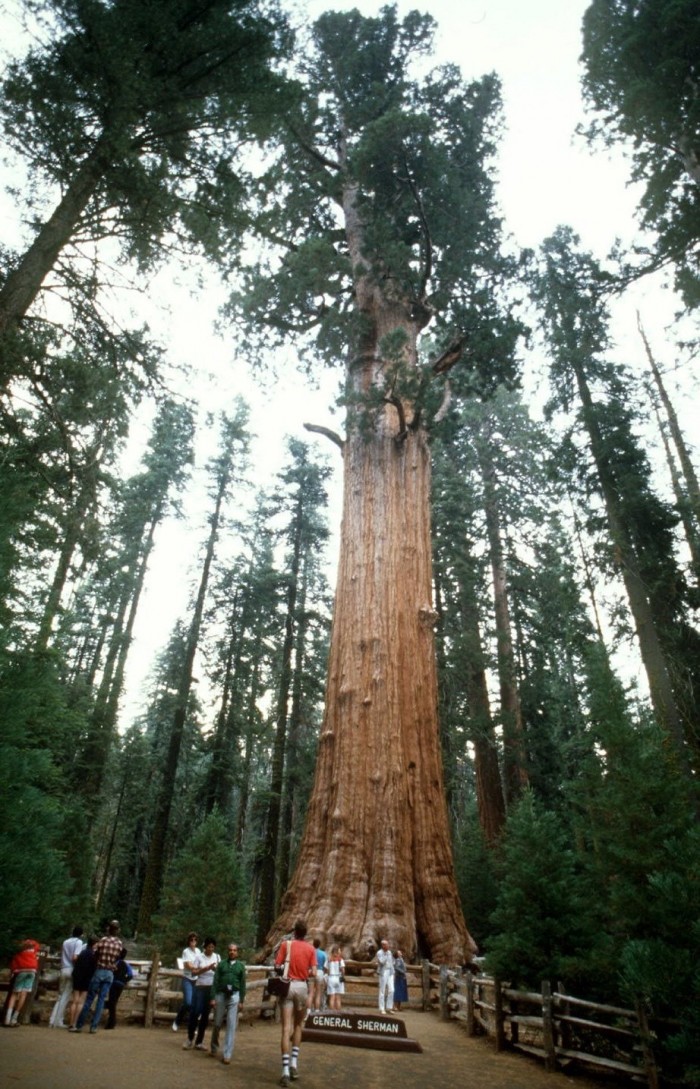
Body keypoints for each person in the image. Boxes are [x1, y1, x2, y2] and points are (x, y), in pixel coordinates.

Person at [274, 919, 316, 1086]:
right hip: (301, 987)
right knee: (298, 1026)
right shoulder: (311, 949)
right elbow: (313, 972)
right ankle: (294, 1064)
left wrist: (286, 967)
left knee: (286, 1029)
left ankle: (284, 1071)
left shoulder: (286, 945)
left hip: (288, 986)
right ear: (305, 933)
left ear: (294, 931)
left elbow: (277, 965)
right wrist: (304, 970)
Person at [71, 919, 123, 1033]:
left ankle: (79, 1024)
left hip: (99, 970)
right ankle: (94, 1027)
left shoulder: (103, 940)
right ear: (118, 930)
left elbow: (96, 953)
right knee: (101, 1000)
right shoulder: (119, 943)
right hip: (110, 973)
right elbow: (118, 957)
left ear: (109, 929)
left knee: (90, 998)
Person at [209, 942, 246, 1064]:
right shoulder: (221, 965)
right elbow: (215, 981)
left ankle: (227, 1054)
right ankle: (214, 1046)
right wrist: (212, 997)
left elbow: (242, 984)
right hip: (221, 995)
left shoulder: (240, 966)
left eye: (234, 950)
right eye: (230, 950)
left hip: (234, 996)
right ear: (227, 951)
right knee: (217, 1023)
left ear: (237, 952)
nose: (232, 952)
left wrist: (241, 1000)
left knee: (231, 1025)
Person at [182, 937, 219, 1051]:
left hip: (211, 988)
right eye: (209, 947)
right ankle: (190, 1038)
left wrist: (215, 970)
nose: (211, 949)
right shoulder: (199, 957)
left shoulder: (217, 957)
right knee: (195, 1012)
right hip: (200, 988)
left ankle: (199, 1041)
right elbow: (194, 973)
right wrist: (207, 968)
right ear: (205, 947)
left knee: (205, 1015)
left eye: (213, 947)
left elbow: (219, 972)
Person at [49, 926, 85, 1028]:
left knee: (60, 996)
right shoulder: (78, 942)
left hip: (63, 968)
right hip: (71, 969)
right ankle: (58, 1021)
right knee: (65, 997)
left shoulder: (65, 941)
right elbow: (75, 957)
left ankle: (52, 1020)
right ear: (81, 934)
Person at [4, 939, 42, 1026]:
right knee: (23, 994)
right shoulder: (33, 951)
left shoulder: (18, 954)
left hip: (21, 971)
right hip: (32, 971)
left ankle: (7, 1018)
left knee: (14, 994)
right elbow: (37, 944)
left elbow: (13, 966)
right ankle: (14, 1018)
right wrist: (29, 941)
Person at [172, 931, 200, 1031]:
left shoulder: (198, 951)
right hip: (188, 979)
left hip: (196, 980)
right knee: (188, 1002)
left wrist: (199, 968)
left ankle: (193, 1025)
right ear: (188, 941)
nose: (193, 941)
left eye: (195, 939)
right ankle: (177, 1020)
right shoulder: (186, 951)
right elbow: (188, 965)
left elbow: (200, 963)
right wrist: (197, 968)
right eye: (191, 939)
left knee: (195, 1004)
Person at [68, 937, 97, 1029]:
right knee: (81, 1002)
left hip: (77, 976)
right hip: (86, 978)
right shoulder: (93, 955)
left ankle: (70, 1023)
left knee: (74, 1000)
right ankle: (75, 1023)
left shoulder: (82, 953)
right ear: (94, 944)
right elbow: (93, 969)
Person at [105, 947, 133, 1029]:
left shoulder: (115, 963)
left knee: (112, 1003)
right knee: (114, 1002)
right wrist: (124, 981)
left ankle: (111, 1022)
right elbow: (130, 975)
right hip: (121, 985)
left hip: (113, 984)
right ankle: (111, 1021)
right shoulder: (126, 964)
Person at [376, 938, 395, 1014]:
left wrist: (393, 970)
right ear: (383, 946)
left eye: (388, 944)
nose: (388, 946)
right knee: (382, 990)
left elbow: (392, 961)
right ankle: (382, 1008)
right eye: (386, 945)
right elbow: (381, 962)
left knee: (392, 990)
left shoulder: (390, 952)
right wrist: (386, 954)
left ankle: (389, 1007)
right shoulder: (379, 953)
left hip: (390, 972)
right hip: (383, 972)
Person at [324, 945, 345, 1011]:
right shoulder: (340, 960)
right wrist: (342, 975)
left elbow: (326, 969)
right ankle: (338, 1013)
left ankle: (332, 1013)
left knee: (332, 997)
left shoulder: (329, 959)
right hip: (338, 978)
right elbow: (343, 970)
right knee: (338, 998)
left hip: (331, 978)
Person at [309, 939, 327, 1013]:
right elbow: (325, 965)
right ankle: (317, 1011)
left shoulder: (310, 952)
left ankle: (308, 1011)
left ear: (313, 944)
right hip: (320, 971)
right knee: (318, 993)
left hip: (311, 971)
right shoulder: (323, 954)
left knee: (310, 993)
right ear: (319, 945)